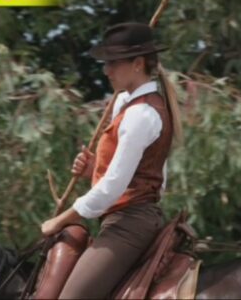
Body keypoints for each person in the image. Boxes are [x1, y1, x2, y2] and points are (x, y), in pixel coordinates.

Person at [40, 21, 183, 299]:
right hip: (124, 219)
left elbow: (111, 189)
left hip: (130, 223)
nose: (106, 71)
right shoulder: (131, 106)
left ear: (138, 64)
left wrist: (59, 221)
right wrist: (95, 169)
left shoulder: (141, 114)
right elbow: (142, 173)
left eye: (113, 63)